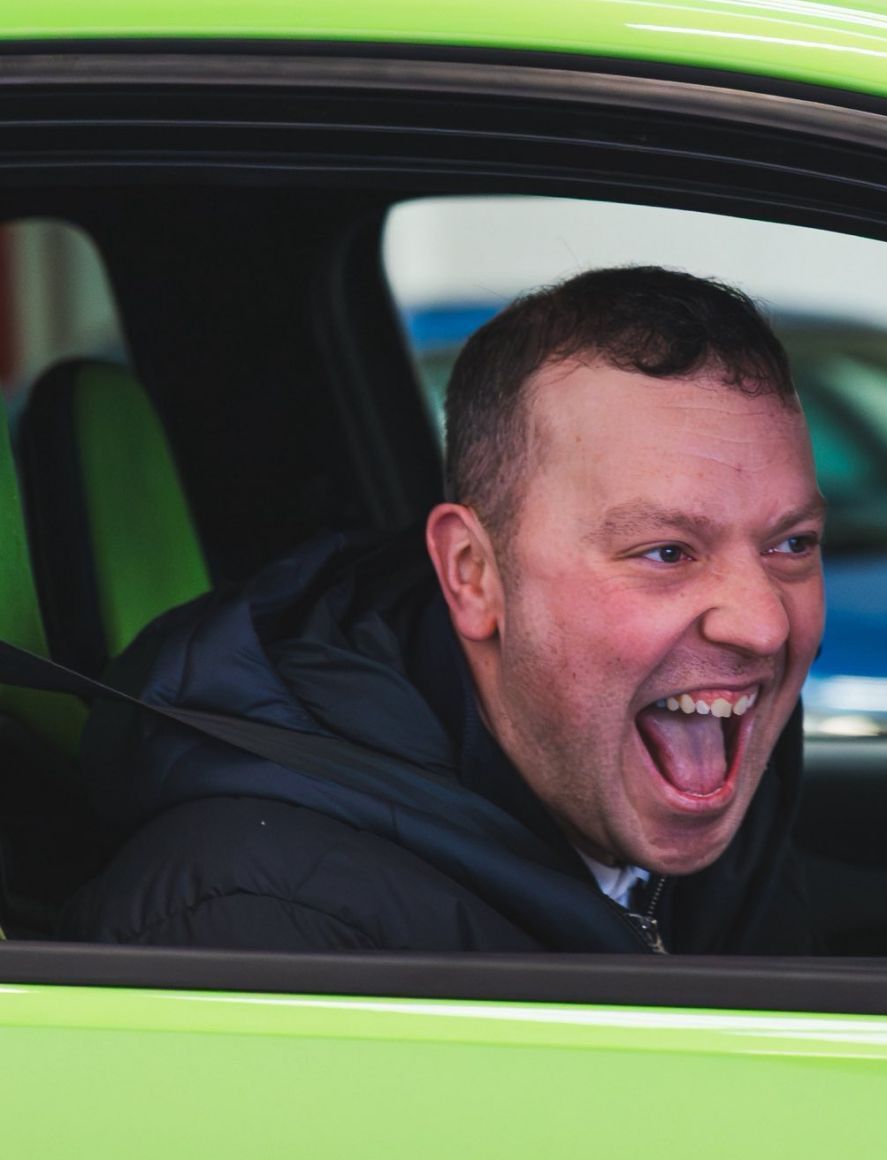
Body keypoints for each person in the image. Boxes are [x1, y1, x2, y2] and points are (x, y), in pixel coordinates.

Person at [60, 266, 826, 953]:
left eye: (791, 544)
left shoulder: (705, 813)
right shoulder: (261, 928)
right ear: (473, 576)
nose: (763, 624)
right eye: (666, 552)